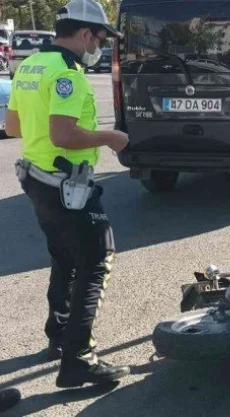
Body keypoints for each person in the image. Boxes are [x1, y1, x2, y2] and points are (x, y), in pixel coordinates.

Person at [4, 0, 130, 388]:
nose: (100, 47)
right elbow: (63, 134)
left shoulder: (30, 66)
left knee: (65, 258)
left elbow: (12, 128)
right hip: (66, 184)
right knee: (97, 261)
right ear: (85, 33)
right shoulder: (67, 74)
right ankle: (79, 359)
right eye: (101, 39)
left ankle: (58, 337)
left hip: (36, 179)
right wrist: (110, 137)